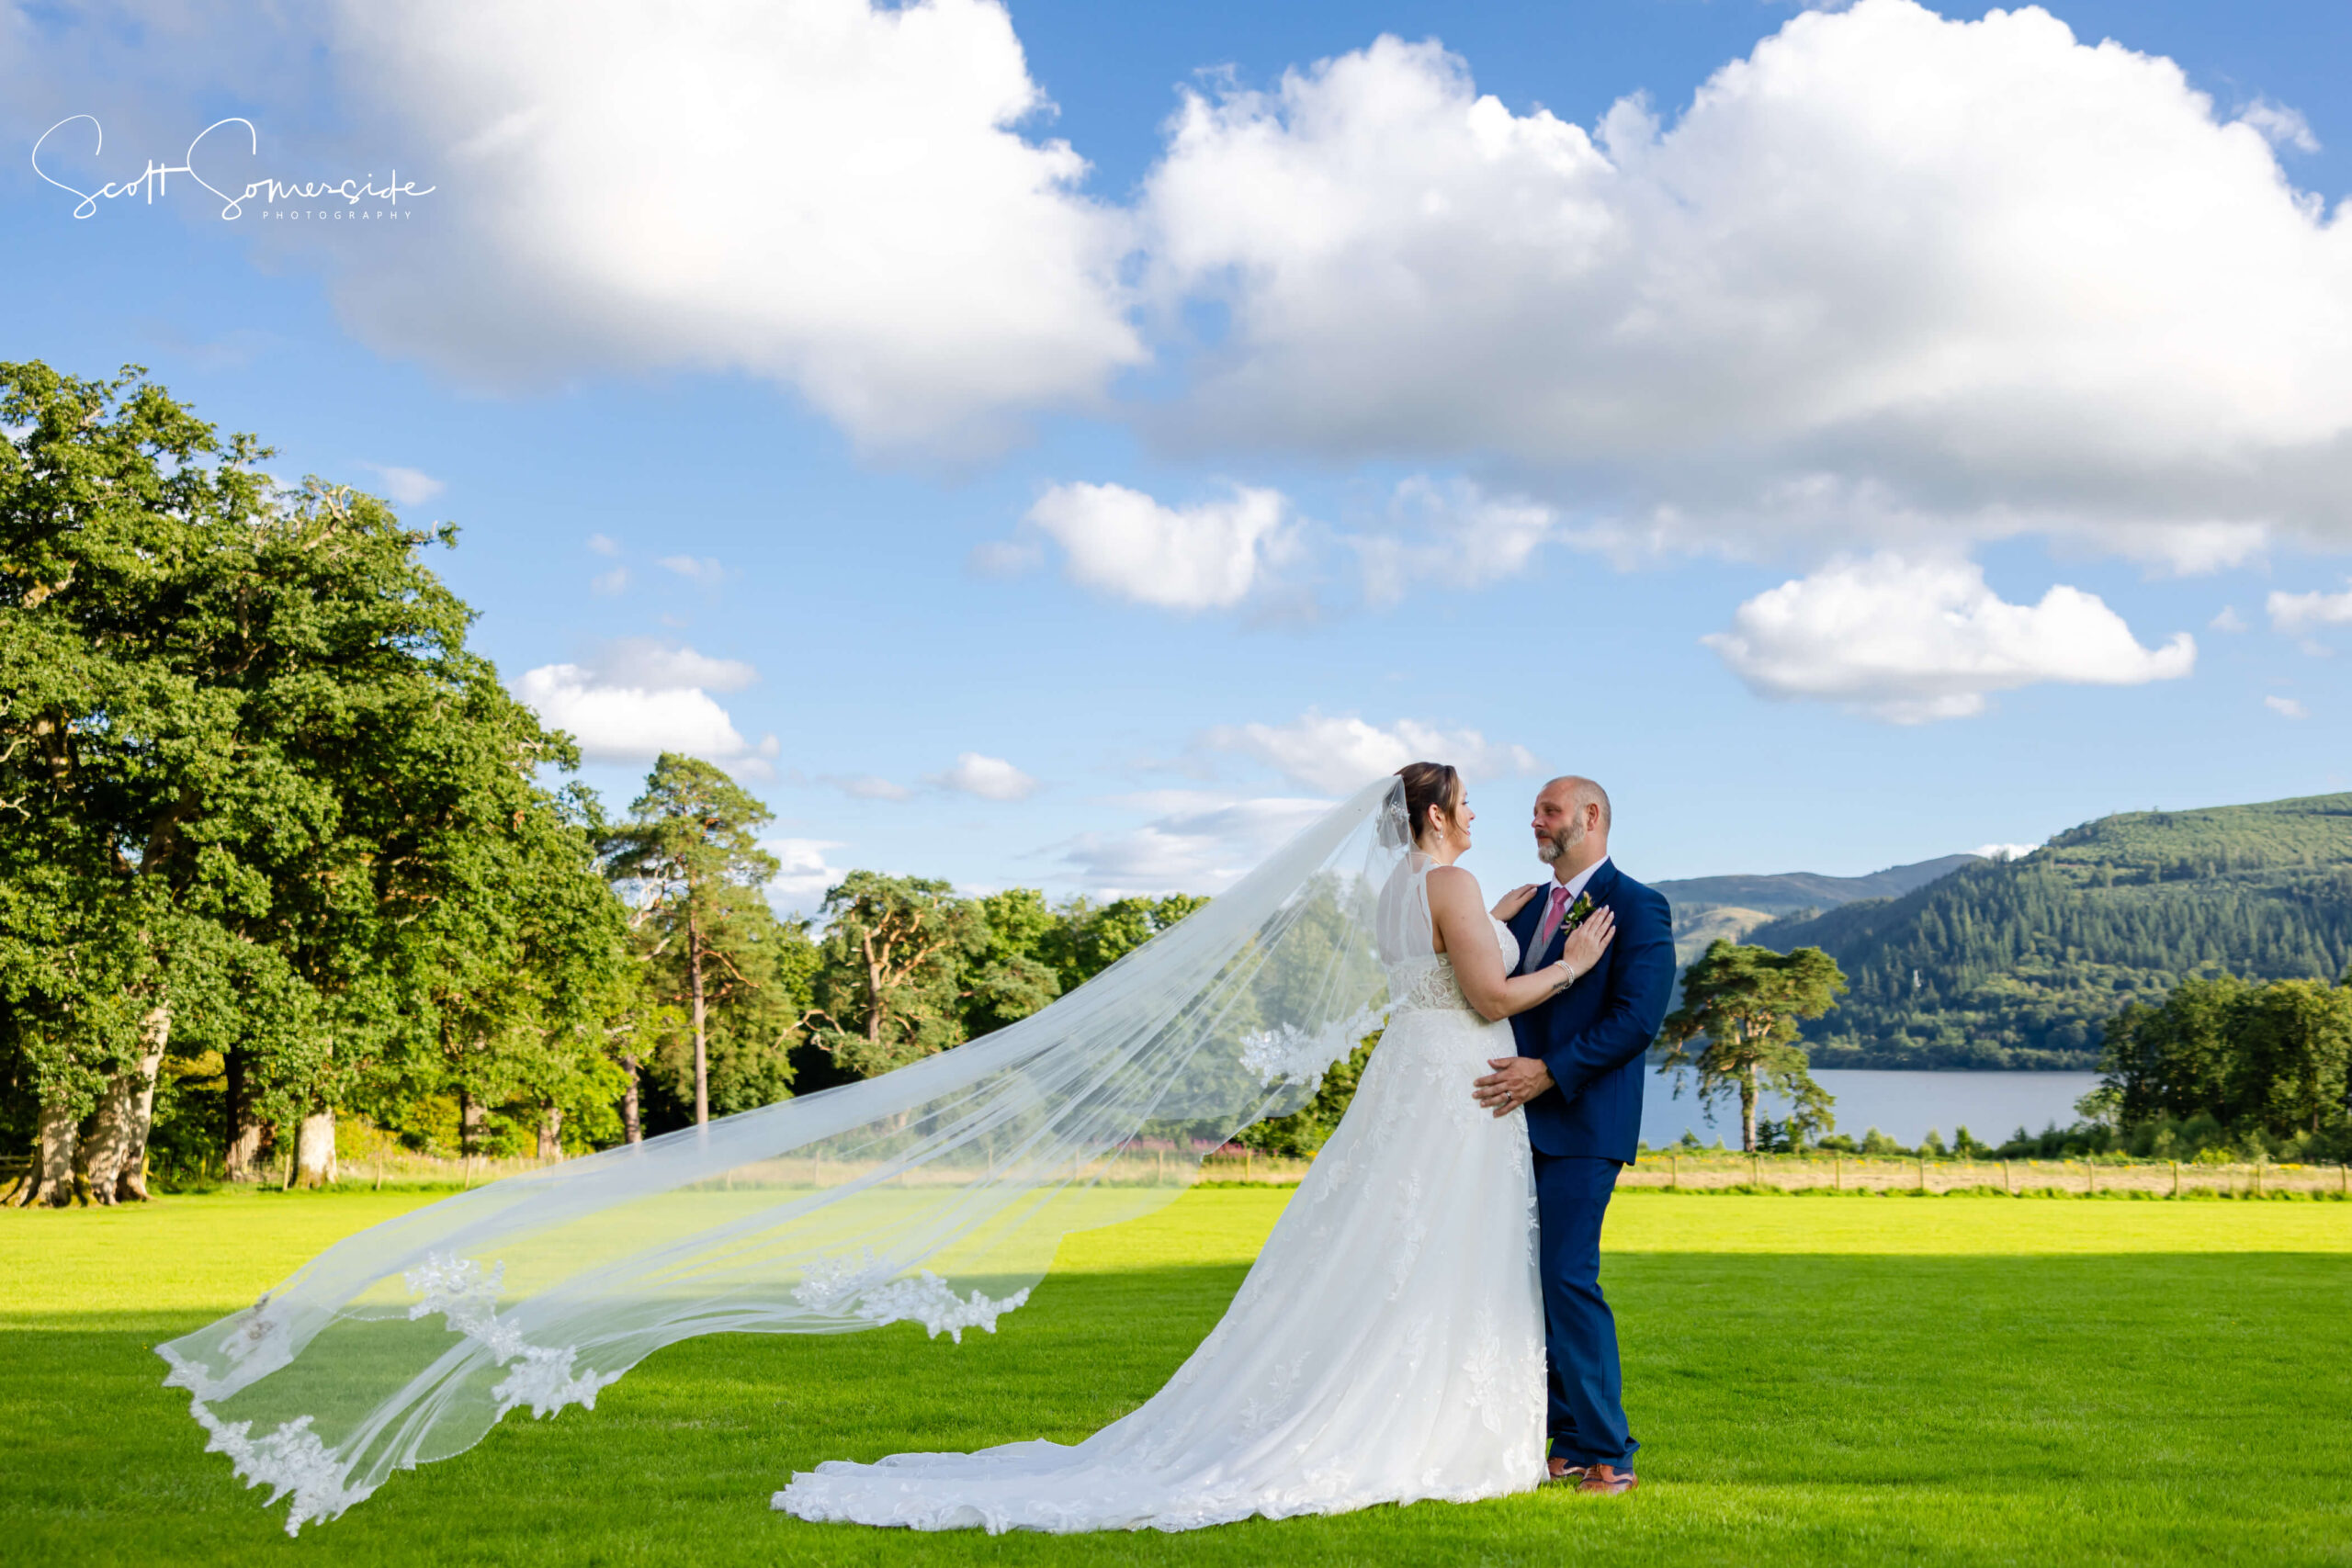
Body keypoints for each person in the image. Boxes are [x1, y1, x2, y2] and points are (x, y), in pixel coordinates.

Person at [773, 761, 1618, 1532]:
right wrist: (1573, 963)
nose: (1477, 815)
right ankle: (1431, 1424)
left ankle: (1425, 1406)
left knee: (1400, 1241)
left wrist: (1499, 916)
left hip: (1410, 1074)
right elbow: (1488, 992)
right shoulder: (1455, 882)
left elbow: (1439, 952)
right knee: (1448, 1245)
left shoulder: (1396, 891)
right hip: (1461, 1082)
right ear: (1436, 812)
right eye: (1467, 802)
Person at [1472, 776, 1676, 1495]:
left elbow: (1635, 1020)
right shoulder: (1527, 906)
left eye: (1548, 810)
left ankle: (1610, 1451)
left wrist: (1549, 1073)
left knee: (1566, 1273)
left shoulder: (1639, 905)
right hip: (1510, 1122)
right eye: (1534, 810)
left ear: (1590, 817)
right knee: (1526, 1280)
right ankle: (1561, 1439)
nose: (1534, 821)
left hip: (1585, 1121)